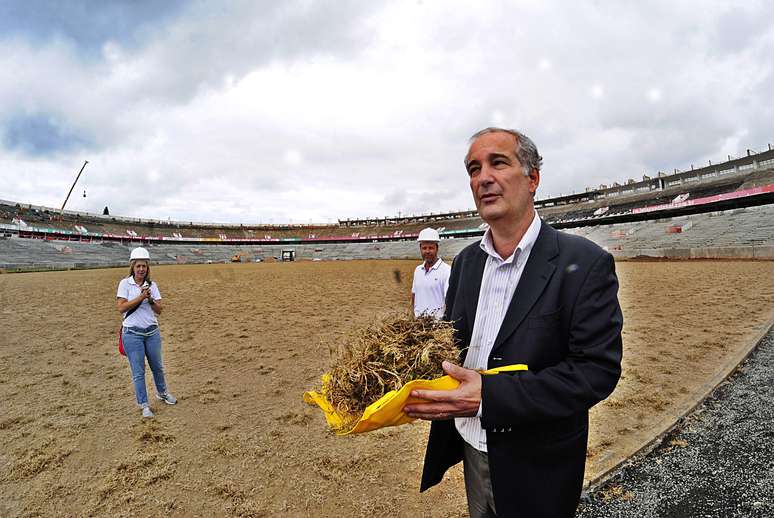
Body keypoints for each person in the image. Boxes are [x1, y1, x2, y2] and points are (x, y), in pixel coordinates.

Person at [404, 128, 623, 517]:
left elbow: (596, 371)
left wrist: (489, 395)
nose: (483, 177)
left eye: (498, 162)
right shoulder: (467, 263)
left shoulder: (586, 263)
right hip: (471, 446)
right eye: (474, 168)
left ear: (533, 178)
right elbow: (452, 345)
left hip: (539, 461)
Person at [116, 247, 177, 418]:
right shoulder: (124, 284)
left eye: (144, 266)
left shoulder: (152, 285)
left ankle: (162, 392)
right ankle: (144, 404)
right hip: (132, 334)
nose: (141, 269)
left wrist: (149, 299)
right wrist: (140, 298)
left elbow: (159, 310)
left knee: (158, 367)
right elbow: (121, 308)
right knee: (138, 371)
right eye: (138, 266)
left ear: (147, 267)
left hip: (152, 332)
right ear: (133, 267)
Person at [411, 228, 452, 319]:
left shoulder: (447, 271)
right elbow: (414, 295)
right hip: (417, 325)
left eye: (431, 248)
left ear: (437, 248)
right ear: (420, 249)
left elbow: (449, 301)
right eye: (424, 248)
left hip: (436, 327)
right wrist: (412, 316)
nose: (427, 251)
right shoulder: (418, 270)